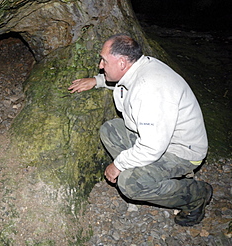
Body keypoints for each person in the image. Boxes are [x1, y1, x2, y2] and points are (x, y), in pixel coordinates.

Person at [68, 34, 212, 226]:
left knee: (129, 183)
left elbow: (153, 147)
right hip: (162, 140)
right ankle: (153, 173)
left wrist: (119, 164)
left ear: (121, 63)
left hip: (182, 151)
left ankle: (196, 195)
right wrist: (98, 80)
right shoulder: (140, 68)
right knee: (111, 130)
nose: (100, 65)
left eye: (104, 60)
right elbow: (124, 84)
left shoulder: (150, 90)